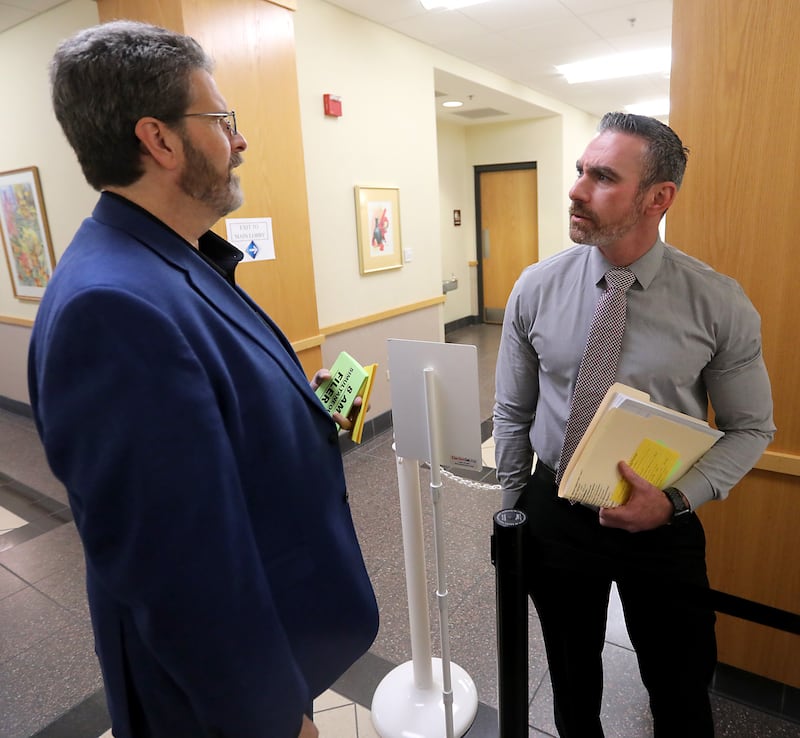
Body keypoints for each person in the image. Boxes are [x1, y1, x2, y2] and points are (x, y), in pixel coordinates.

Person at [28, 20, 378, 738]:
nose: (240, 140)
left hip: (270, 643)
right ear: (159, 140)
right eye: (221, 120)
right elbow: (178, 571)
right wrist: (274, 719)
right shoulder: (111, 308)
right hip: (210, 705)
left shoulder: (168, 258)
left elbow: (204, 428)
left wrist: (293, 410)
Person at [493, 112, 775, 737]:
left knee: (680, 687)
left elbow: (752, 427)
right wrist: (515, 507)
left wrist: (673, 501)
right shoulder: (536, 288)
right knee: (570, 683)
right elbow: (512, 411)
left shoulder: (717, 302)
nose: (576, 189)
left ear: (659, 198)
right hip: (555, 510)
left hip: (660, 514)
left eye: (602, 176)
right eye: (579, 171)